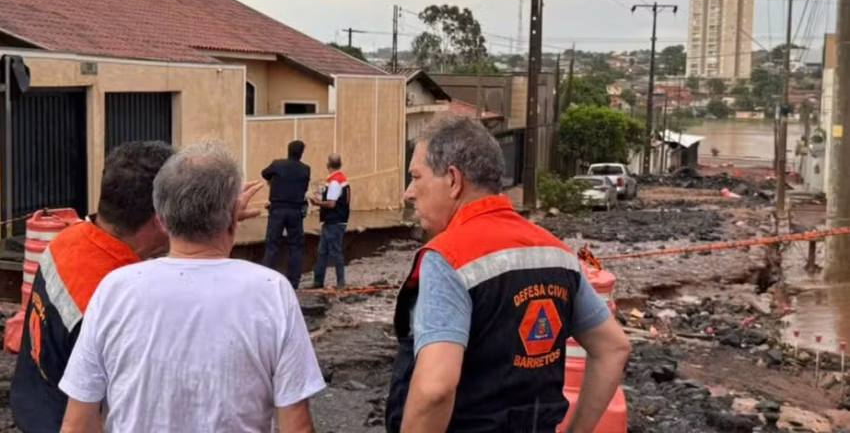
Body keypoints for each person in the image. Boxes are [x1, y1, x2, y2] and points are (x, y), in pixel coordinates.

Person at [385, 115, 632, 433]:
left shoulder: (448, 257)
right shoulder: (558, 253)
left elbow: (435, 389)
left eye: (416, 177)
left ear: (453, 180)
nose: (409, 193)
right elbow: (613, 348)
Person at [59, 141, 325, 433]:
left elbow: (77, 425)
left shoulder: (115, 290)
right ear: (233, 218)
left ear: (160, 218)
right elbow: (296, 425)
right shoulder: (272, 291)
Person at [9, 141, 264, 433]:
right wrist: (216, 237)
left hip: (36, 407)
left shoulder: (68, 240)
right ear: (162, 218)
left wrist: (211, 226)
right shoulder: (122, 300)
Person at [262, 140, 311, 289]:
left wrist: (276, 181)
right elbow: (304, 187)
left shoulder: (277, 165)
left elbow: (264, 173)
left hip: (277, 209)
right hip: (296, 211)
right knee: (295, 246)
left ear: (288, 150)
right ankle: (293, 282)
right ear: (301, 153)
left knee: (272, 245)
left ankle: (266, 280)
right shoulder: (305, 169)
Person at [309, 154, 350, 289]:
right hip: (335, 221)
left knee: (334, 252)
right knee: (322, 251)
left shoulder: (334, 182)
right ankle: (318, 281)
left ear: (328, 165)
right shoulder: (342, 179)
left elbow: (332, 204)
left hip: (334, 221)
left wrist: (317, 203)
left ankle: (340, 282)